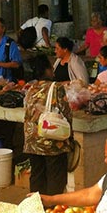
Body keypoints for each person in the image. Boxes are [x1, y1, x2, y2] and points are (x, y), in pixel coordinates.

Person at [23, 55, 73, 195]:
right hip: (51, 141)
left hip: (32, 141)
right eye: (51, 67)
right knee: (55, 179)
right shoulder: (56, 87)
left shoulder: (31, 87)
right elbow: (66, 114)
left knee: (37, 177)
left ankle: (37, 209)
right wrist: (70, 138)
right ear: (47, 70)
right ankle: (51, 211)